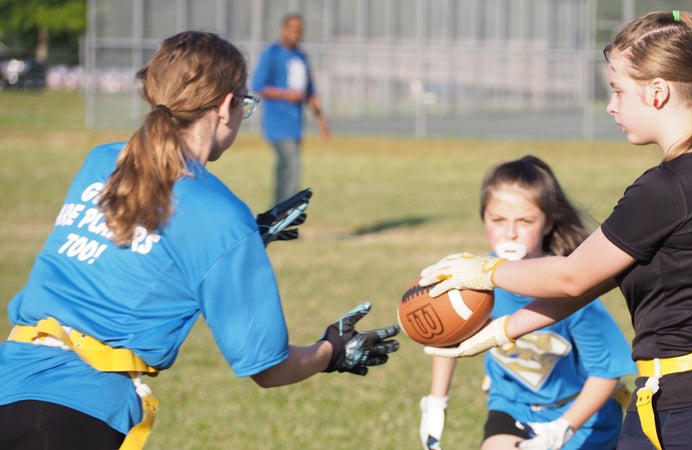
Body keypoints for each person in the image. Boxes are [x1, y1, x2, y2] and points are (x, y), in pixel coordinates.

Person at [417, 10, 692, 450]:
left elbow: (571, 274)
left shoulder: (667, 186)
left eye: (618, 90)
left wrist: (483, 270)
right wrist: (506, 329)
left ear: (657, 92)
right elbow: (594, 279)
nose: (611, 105)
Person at [0, 31, 398, 450]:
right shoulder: (220, 215)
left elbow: (133, 249)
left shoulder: (101, 160)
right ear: (226, 106)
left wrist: (247, 239)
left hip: (10, 383)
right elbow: (268, 367)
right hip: (73, 415)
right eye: (245, 104)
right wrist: (331, 351)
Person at [419, 155, 636, 450]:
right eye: (498, 220)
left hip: (581, 419)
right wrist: (436, 402)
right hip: (512, 408)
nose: (510, 233)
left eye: (525, 221)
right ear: (483, 217)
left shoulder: (571, 286)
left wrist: (561, 429)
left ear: (547, 224)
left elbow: (607, 373)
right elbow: (447, 335)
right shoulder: (472, 281)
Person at [252, 12, 331, 205]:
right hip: (277, 123)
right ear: (283, 29)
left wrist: (322, 122)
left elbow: (311, 92)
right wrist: (288, 95)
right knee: (291, 165)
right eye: (293, 29)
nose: (296, 33)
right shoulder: (272, 53)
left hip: (295, 124)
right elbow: (259, 85)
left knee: (286, 168)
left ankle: (280, 213)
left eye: (300, 29)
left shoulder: (301, 57)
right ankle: (283, 213)